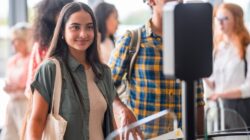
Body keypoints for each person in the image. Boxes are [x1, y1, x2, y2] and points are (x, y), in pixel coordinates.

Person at [109, 0, 205, 138]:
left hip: (181, 136)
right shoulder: (132, 40)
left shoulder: (189, 40)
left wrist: (201, 136)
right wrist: (123, 110)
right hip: (145, 136)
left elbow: (198, 99)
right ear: (150, 1)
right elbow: (106, 85)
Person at [26, 2, 119, 140]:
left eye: (89, 27)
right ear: (63, 31)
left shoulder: (103, 72)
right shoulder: (50, 69)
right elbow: (36, 121)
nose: (83, 34)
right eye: (75, 27)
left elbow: (111, 124)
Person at [205, 3, 250, 128]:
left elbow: (248, 87)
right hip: (220, 108)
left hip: (241, 108)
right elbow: (214, 83)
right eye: (218, 19)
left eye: (225, 18)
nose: (220, 23)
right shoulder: (218, 49)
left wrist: (221, 94)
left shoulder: (247, 48)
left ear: (237, 20)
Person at [24, 0, 73, 99]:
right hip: (50, 104)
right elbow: (32, 85)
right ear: (50, 16)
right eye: (60, 12)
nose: (64, 16)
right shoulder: (41, 47)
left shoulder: (77, 42)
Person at [1, 22, 32, 140]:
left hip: (25, 104)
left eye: (16, 40)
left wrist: (19, 88)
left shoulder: (31, 60)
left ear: (25, 41)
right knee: (8, 135)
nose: (12, 44)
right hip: (12, 103)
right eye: (12, 40)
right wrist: (8, 87)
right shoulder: (13, 60)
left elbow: (33, 85)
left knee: (25, 134)